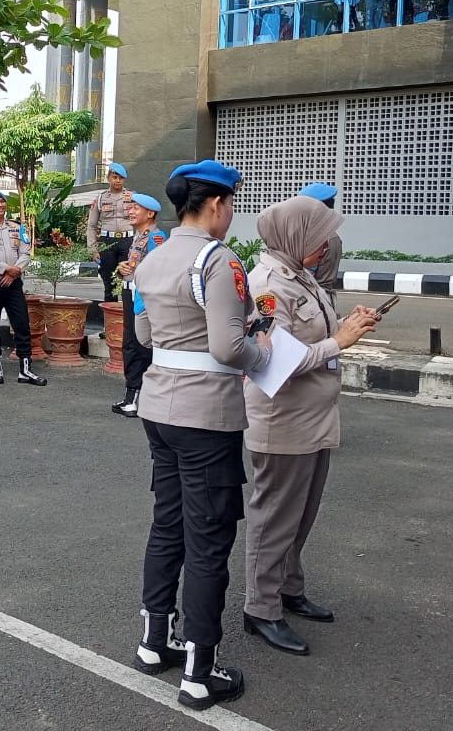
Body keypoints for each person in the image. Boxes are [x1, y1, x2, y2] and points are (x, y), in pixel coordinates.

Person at [129, 160, 272, 711]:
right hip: (206, 415)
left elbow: (144, 333)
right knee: (209, 538)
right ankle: (200, 671)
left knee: (168, 523)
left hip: (158, 408)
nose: (232, 214)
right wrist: (264, 353)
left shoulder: (154, 257)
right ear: (216, 204)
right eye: (231, 204)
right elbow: (228, 348)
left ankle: (154, 641)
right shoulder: (218, 259)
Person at [241, 197, 378, 655]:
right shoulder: (266, 286)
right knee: (274, 519)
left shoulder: (301, 276)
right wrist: (340, 341)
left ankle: (288, 587)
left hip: (314, 417)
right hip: (283, 421)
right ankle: (261, 607)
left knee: (301, 516)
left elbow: (317, 333)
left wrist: (349, 324)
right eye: (319, 238)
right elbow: (272, 361)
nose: (326, 246)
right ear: (293, 237)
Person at [0, 188, 47, 388]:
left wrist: (14, 272)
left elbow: (25, 253)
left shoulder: (17, 227)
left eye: (2, 202)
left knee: (22, 325)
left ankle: (25, 369)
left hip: (14, 284)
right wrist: (5, 269)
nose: (0, 205)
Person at [111, 193, 168, 417]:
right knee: (130, 343)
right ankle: (131, 396)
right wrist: (123, 268)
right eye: (130, 207)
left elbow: (157, 269)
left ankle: (136, 398)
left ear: (150, 213)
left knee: (138, 345)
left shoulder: (156, 237)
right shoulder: (139, 235)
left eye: (136, 208)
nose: (130, 211)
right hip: (131, 292)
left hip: (142, 296)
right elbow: (136, 266)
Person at [86, 162, 136, 302]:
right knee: (109, 282)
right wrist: (92, 249)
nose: (117, 180)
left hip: (127, 242)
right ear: (108, 178)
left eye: (121, 178)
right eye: (114, 177)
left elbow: (140, 221)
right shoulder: (100, 198)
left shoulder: (132, 197)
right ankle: (109, 314)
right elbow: (91, 225)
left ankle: (127, 314)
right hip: (107, 243)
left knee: (127, 280)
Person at [298, 183, 343, 302]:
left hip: (311, 299)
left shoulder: (316, 238)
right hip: (325, 298)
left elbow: (303, 275)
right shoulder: (333, 235)